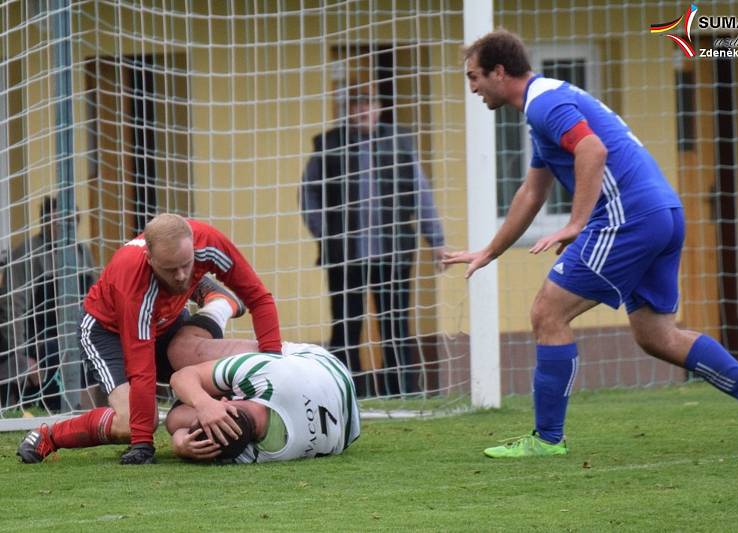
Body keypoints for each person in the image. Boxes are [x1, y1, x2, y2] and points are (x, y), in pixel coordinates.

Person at [445, 29, 738, 458]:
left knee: (547, 312)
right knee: (656, 335)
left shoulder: (545, 104)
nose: (473, 87)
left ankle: (547, 439)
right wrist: (489, 251)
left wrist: (577, 222)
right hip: (662, 213)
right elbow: (532, 193)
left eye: (474, 76)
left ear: (499, 72)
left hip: (628, 217)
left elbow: (591, 151)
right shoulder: (546, 102)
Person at [17, 213, 282, 464]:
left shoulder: (210, 242)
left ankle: (219, 301)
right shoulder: (134, 280)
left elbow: (259, 297)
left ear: (193, 247)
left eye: (186, 266)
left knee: (190, 354)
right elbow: (141, 369)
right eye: (170, 269)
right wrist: (143, 443)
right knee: (132, 423)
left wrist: (276, 367)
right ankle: (49, 436)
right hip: (108, 332)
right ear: (150, 258)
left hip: (165, 318)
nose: (180, 275)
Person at [300, 83, 446, 397]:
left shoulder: (399, 143)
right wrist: (324, 233)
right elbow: (307, 192)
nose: (363, 110)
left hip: (393, 254)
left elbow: (421, 193)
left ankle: (402, 393)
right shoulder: (329, 145)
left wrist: (436, 240)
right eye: (356, 104)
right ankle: (343, 394)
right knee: (345, 328)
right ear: (348, 110)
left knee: (395, 327)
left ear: (379, 107)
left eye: (369, 103)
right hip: (344, 255)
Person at [165, 341, 360, 463]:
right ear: (227, 401)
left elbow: (180, 389)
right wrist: (204, 404)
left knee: (175, 419)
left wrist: (183, 446)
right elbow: (181, 376)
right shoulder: (264, 375)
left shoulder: (264, 453)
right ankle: (222, 305)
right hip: (328, 366)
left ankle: (218, 305)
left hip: (348, 425)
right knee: (182, 350)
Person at [1, 196, 95, 412]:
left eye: (70, 222)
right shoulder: (28, 253)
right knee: (60, 349)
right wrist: (21, 358)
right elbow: (12, 308)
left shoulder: (82, 253)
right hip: (39, 344)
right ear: (45, 223)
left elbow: (95, 302)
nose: (64, 228)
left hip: (76, 336)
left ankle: (90, 413)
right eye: (57, 223)